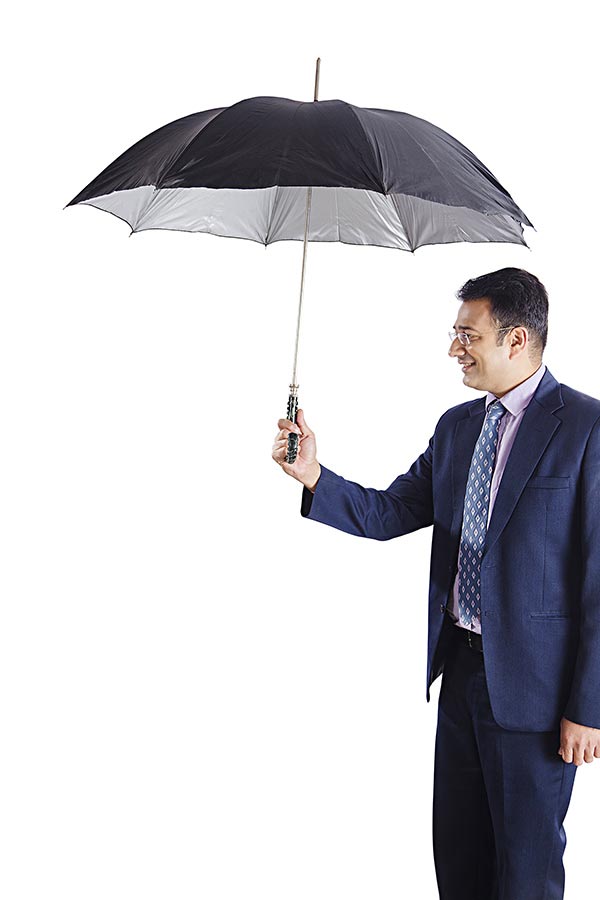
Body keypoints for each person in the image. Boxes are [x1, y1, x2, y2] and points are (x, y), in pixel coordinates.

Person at [271, 267, 600, 900]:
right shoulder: (455, 428)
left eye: (466, 335)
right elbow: (391, 512)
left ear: (517, 339)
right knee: (459, 864)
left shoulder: (585, 428)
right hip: (461, 676)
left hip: (538, 699)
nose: (454, 349)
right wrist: (314, 475)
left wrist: (588, 708)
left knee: (527, 876)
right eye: (455, 334)